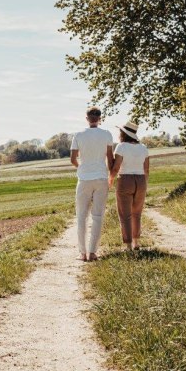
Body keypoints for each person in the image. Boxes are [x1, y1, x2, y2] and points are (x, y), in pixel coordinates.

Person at [70, 106, 115, 261]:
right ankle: (93, 253)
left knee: (81, 216)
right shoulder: (107, 134)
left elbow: (72, 159)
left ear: (87, 118)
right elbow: (110, 158)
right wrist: (111, 175)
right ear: (100, 118)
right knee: (98, 216)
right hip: (101, 178)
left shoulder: (78, 135)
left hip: (84, 179)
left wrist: (81, 166)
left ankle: (82, 253)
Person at [110, 121, 150, 251]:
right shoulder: (144, 148)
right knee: (137, 213)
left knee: (125, 214)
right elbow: (147, 170)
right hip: (141, 180)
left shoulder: (121, 147)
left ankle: (128, 245)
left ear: (123, 134)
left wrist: (110, 179)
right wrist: (144, 184)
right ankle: (136, 243)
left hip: (125, 179)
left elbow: (116, 168)